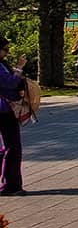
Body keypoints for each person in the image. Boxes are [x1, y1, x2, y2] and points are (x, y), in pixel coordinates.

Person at [0, 36, 27, 195]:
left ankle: (10, 181)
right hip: (4, 109)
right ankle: (11, 184)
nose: (7, 53)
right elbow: (9, 83)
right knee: (12, 147)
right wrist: (19, 68)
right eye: (5, 49)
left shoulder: (2, 64)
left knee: (8, 147)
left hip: (6, 108)